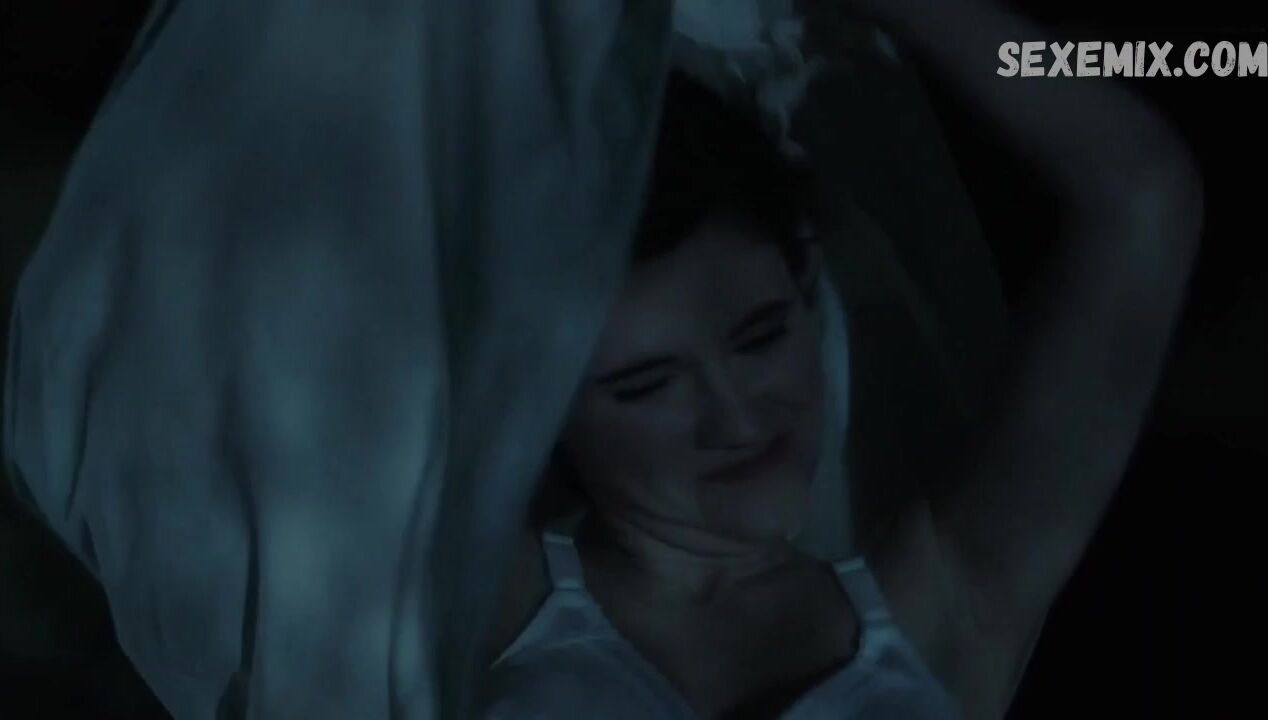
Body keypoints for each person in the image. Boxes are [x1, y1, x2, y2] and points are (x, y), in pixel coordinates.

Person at [482, 1, 1203, 718]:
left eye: (762, 338)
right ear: (546, 403)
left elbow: (1143, 194)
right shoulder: (483, 603)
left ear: (806, 287)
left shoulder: (949, 604)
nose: (737, 420)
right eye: (646, 386)